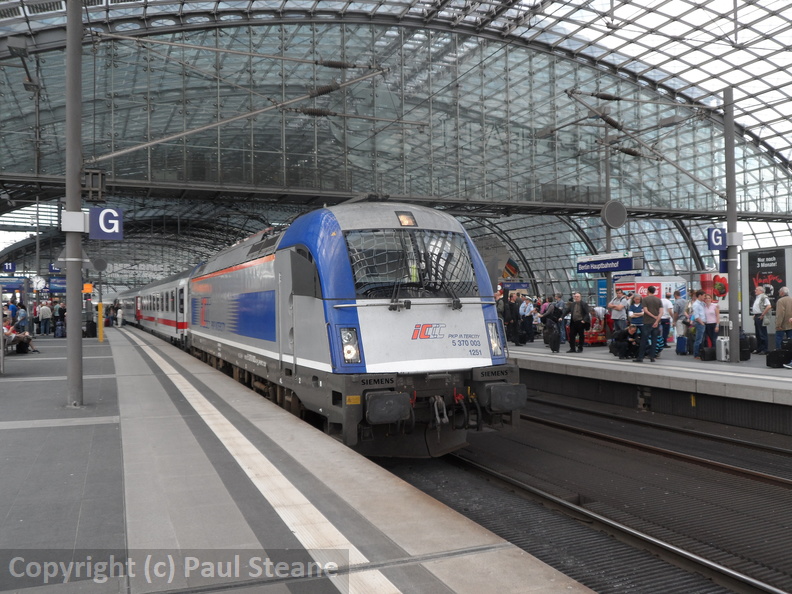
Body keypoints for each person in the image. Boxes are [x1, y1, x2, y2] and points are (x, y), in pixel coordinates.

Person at [634, 286, 663, 363]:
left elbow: (646, 311)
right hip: (656, 323)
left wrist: (653, 316)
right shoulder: (658, 300)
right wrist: (656, 320)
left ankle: (640, 357)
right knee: (654, 340)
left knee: (644, 340)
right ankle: (652, 357)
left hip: (647, 322)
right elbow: (661, 312)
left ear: (648, 291)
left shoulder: (645, 299)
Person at [751, 285, 771, 354]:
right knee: (758, 333)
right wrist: (755, 314)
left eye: (757, 290)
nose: (755, 291)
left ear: (761, 291)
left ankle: (764, 349)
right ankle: (759, 348)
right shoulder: (758, 297)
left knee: (762, 333)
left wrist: (763, 314)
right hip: (757, 315)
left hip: (760, 316)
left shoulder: (764, 297)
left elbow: (769, 306)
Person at [774, 286, 792, 350]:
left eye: (779, 292)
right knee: (790, 339)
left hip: (782, 324)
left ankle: (779, 353)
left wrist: (778, 325)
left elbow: (780, 313)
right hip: (790, 323)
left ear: (782, 293)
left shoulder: (780, 301)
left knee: (779, 338)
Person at [690, 290, 706, 359]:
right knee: (698, 339)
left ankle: (700, 352)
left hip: (703, 322)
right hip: (700, 323)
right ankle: (696, 354)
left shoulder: (702, 303)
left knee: (702, 339)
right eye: (704, 296)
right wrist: (702, 323)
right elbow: (696, 316)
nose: (704, 297)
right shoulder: (696, 304)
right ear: (699, 296)